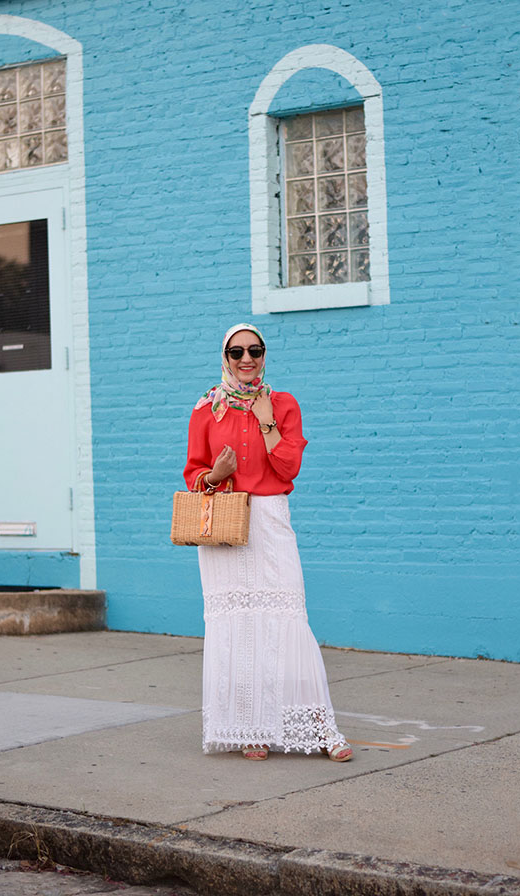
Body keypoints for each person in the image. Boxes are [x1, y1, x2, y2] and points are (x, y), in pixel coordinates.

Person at [183, 323, 352, 761]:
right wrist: (215, 476)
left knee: (289, 618)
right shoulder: (206, 409)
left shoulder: (282, 403)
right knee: (237, 626)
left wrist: (265, 420)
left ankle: (320, 727)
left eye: (254, 351)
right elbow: (193, 473)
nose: (246, 359)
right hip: (225, 524)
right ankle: (248, 728)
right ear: (225, 357)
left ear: (264, 355)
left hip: (271, 520)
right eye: (236, 352)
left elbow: (288, 467)